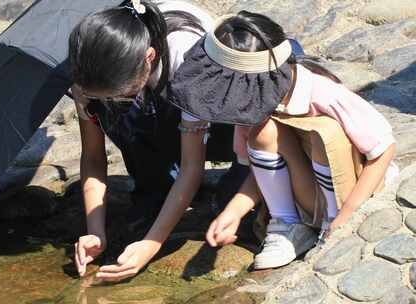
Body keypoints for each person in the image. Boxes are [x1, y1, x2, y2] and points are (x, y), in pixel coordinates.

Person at [168, 11, 398, 270]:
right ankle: (289, 225)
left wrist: (345, 218)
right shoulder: (251, 107)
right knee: (263, 132)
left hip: (350, 193)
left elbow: (382, 149)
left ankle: (329, 225)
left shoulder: (323, 93)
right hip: (309, 197)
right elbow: (258, 169)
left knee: (326, 132)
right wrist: (233, 212)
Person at [68, 0, 243, 281]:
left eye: (119, 93)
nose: (109, 101)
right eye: (100, 96)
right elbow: (92, 156)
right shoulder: (88, 74)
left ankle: (243, 177)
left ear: (149, 57)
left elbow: (192, 166)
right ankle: (156, 188)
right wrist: (95, 231)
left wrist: (151, 245)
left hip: (217, 117)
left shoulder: (187, 59)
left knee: (230, 199)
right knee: (118, 112)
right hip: (156, 107)